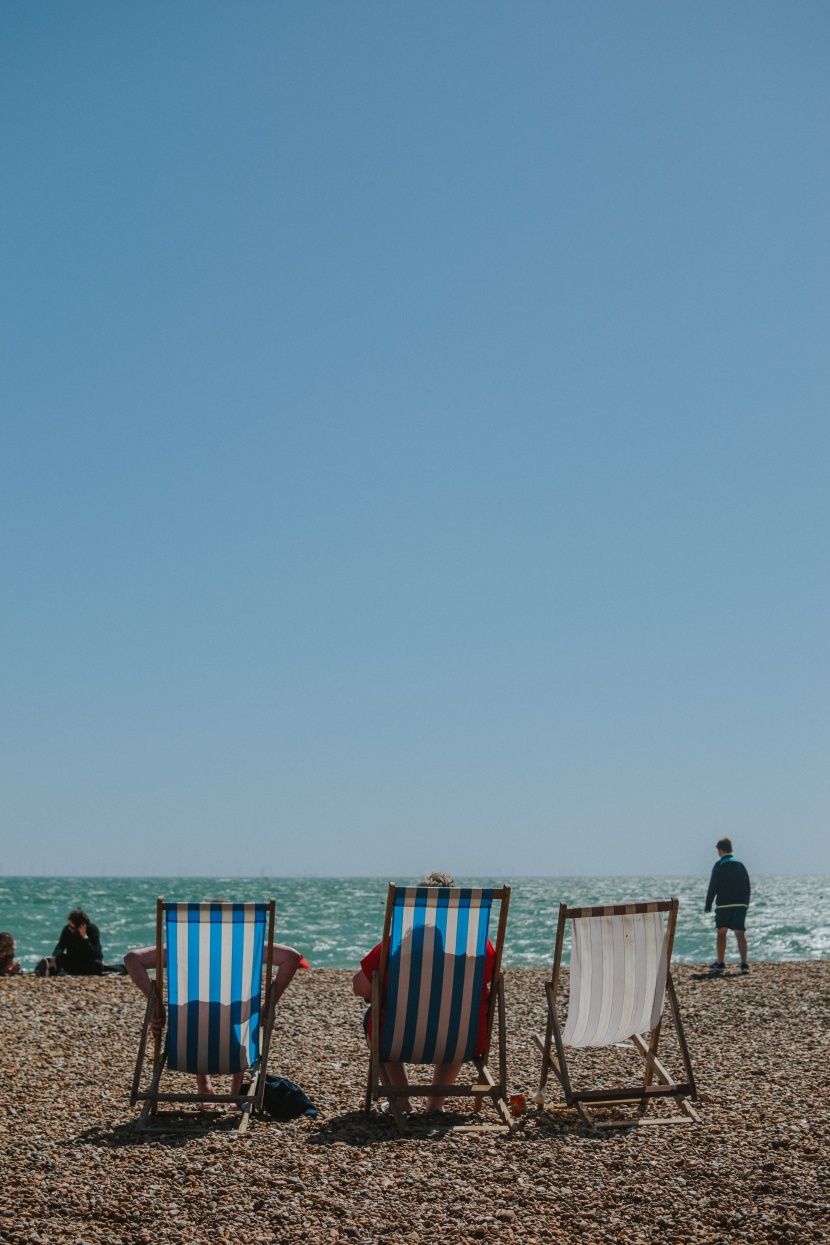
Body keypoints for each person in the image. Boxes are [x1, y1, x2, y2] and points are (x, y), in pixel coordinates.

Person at [352, 871, 496, 1116]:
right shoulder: (481, 948)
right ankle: (435, 1105)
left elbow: (360, 988)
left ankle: (402, 1102)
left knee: (376, 1017)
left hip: (397, 1039)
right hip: (463, 1040)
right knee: (455, 1018)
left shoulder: (393, 947)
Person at [124, 918, 305, 1105]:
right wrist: (269, 1004)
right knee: (235, 1016)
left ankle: (204, 1085)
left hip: (187, 1031)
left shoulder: (182, 946)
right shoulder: (247, 945)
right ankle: (236, 1091)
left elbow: (131, 959)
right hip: (234, 1021)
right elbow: (292, 956)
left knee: (198, 1012)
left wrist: (157, 1006)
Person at [705, 838, 751, 975]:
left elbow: (713, 886)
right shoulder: (740, 864)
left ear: (720, 850)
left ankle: (720, 963)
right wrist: (745, 903)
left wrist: (708, 904)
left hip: (724, 903)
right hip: (740, 903)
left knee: (721, 932)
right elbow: (747, 884)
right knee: (740, 932)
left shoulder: (719, 865)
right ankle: (744, 964)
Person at [37, 909, 104, 976]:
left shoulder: (92, 930)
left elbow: (96, 954)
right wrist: (54, 957)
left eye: (72, 927)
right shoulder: (67, 930)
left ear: (81, 927)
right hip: (73, 961)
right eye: (69, 925)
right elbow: (60, 946)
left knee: (97, 964)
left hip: (88, 962)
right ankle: (48, 970)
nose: (69, 928)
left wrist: (85, 938)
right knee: (59, 957)